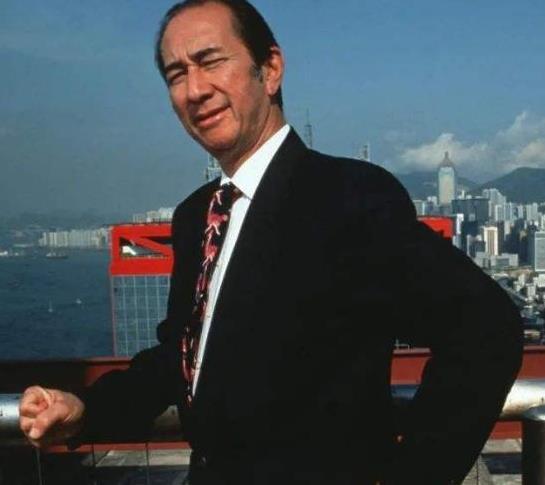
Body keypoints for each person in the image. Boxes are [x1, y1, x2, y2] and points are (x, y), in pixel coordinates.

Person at [20, 1, 523, 483]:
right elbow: (181, 356)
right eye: (176, 74)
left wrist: (411, 477)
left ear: (271, 69)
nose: (195, 89)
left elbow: (485, 328)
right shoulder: (196, 216)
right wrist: (85, 409)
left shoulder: (347, 197)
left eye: (210, 61)